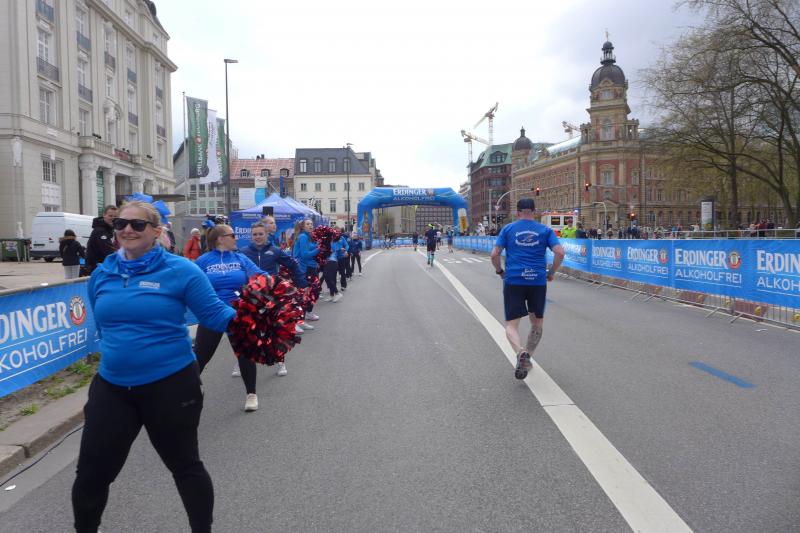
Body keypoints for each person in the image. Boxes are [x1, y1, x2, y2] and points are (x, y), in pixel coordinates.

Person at [72, 200, 235, 533]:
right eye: (120, 224)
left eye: (137, 225)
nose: (127, 230)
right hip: (112, 387)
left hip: (170, 385)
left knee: (185, 466)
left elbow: (216, 315)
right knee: (91, 473)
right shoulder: (102, 274)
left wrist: (263, 318)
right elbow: (103, 327)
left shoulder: (181, 270)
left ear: (157, 231)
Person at [490, 198, 565, 380]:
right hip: (537, 281)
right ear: (534, 211)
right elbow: (560, 252)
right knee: (537, 323)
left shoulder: (508, 229)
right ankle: (528, 356)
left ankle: (520, 352)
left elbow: (494, 254)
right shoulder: (545, 230)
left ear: (517, 212)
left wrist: (500, 271)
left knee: (511, 325)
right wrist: (551, 272)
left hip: (514, 280)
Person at [193, 224, 266, 411]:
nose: (236, 238)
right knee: (200, 357)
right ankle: (191, 389)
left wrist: (278, 285)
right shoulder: (203, 261)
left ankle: (251, 394)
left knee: (245, 354)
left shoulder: (240, 258)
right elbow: (189, 283)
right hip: (213, 313)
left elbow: (260, 275)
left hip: (238, 313)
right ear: (220, 239)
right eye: (232, 235)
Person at [241, 219, 309, 378]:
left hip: (271, 296)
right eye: (255, 234)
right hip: (251, 296)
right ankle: (242, 361)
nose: (258, 237)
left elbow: (293, 264)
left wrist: (301, 282)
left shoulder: (275, 251)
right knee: (248, 330)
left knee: (274, 329)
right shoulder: (243, 252)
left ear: (266, 235)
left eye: (260, 234)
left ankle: (280, 362)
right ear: (251, 236)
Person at [292, 218, 321, 321]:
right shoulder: (303, 236)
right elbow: (304, 255)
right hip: (305, 268)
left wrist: (319, 244)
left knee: (313, 291)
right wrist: (319, 249)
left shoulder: (309, 236)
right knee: (308, 292)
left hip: (310, 267)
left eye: (311, 224)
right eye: (308, 224)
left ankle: (307, 312)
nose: (310, 225)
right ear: (303, 227)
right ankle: (302, 316)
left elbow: (310, 248)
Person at [85, 205, 117, 272]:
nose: (113, 218)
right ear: (104, 215)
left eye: (115, 216)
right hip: (97, 268)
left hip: (102, 266)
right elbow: (108, 251)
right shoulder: (100, 231)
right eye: (110, 216)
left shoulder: (109, 229)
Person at [322, 233, 343, 302]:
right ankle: (332, 295)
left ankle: (337, 293)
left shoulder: (332, 243)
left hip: (331, 262)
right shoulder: (331, 243)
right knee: (330, 279)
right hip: (332, 262)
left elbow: (336, 251)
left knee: (328, 278)